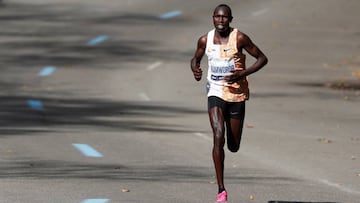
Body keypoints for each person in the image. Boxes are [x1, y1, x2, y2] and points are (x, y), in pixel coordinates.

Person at [190, 4, 268, 203]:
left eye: (224, 17)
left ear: (230, 19)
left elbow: (262, 58)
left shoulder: (240, 38)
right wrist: (196, 69)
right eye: (217, 17)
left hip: (236, 95)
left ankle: (231, 144)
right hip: (215, 91)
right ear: (213, 18)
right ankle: (221, 190)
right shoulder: (204, 40)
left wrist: (242, 73)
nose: (220, 20)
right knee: (218, 135)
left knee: (233, 146)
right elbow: (195, 59)